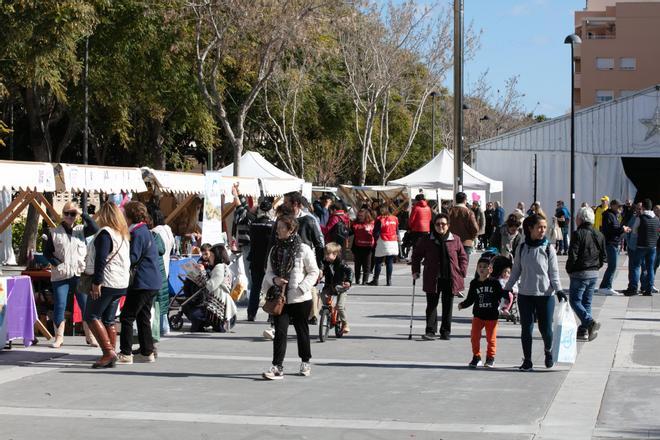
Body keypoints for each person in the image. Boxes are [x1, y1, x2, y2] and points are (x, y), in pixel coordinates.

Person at [504, 214, 566, 371]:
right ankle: (528, 360)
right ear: (530, 228)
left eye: (544, 227)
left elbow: (554, 273)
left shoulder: (548, 248)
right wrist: (507, 288)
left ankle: (548, 351)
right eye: (539, 227)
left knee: (546, 329)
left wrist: (559, 290)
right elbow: (516, 270)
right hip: (525, 295)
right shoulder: (522, 248)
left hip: (545, 295)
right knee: (526, 329)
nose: (543, 230)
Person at [261, 215, 320, 380]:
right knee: (280, 332)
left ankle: (305, 361)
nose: (278, 230)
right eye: (277, 227)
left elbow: (314, 272)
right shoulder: (275, 249)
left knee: (302, 331)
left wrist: (301, 288)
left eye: (281, 227)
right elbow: (268, 272)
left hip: (300, 298)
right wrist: (275, 280)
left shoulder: (303, 249)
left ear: (291, 229)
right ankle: (277, 366)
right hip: (281, 298)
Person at [44, 201, 99, 348]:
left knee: (85, 305)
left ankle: (90, 336)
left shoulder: (81, 230)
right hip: (61, 275)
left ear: (76, 215)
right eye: (67, 213)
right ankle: (59, 337)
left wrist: (83, 213)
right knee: (60, 305)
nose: (69, 216)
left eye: (72, 214)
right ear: (63, 215)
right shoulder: (54, 232)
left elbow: (95, 228)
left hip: (79, 274)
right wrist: (56, 263)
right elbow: (46, 252)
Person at [83, 202, 130, 368]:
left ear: (104, 215)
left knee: (91, 315)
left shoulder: (105, 233)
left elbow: (100, 260)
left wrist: (97, 282)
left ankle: (108, 352)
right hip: (120, 282)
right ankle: (112, 352)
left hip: (107, 282)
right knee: (109, 319)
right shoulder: (122, 234)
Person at [411, 213, 468, 341]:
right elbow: (416, 255)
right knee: (431, 305)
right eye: (438, 224)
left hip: (450, 277)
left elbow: (463, 257)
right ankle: (430, 331)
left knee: (448, 306)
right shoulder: (426, 239)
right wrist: (415, 270)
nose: (440, 226)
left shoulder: (456, 239)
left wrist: (462, 271)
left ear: (448, 225)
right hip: (432, 277)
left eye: (443, 224)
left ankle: (445, 331)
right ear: (434, 225)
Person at [118, 201, 162, 364]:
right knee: (143, 316)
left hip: (142, 281)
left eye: (124, 214)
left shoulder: (137, 233)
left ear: (130, 216)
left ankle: (126, 353)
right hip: (152, 281)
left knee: (127, 316)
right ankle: (147, 351)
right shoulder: (145, 230)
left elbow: (133, 257)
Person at [458, 256, 508, 368]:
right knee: (474, 337)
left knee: (491, 339)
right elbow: (470, 299)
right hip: (478, 315)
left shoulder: (495, 283)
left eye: (485, 267)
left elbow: (501, 295)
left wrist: (507, 297)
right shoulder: (474, 283)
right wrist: (463, 304)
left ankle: (490, 358)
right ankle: (476, 357)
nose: (482, 269)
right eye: (480, 266)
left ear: (490, 269)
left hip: (492, 316)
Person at [566, 207, 606, 341]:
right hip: (593, 272)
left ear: (581, 219)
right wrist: (596, 267)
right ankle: (584, 331)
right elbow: (603, 256)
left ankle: (589, 322)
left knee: (575, 301)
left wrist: (569, 269)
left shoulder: (578, 234)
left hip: (580, 272)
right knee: (586, 302)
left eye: (577, 217)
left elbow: (573, 255)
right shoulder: (599, 234)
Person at [148, 204, 175, 337]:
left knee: (158, 300)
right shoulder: (168, 229)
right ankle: (165, 326)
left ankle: (161, 327)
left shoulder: (155, 233)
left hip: (158, 267)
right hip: (166, 266)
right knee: (163, 299)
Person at [247, 200, 274, 321]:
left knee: (255, 287)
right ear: (270, 211)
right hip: (269, 261)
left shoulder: (253, 224)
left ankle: (251, 313)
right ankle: (271, 314)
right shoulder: (273, 225)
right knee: (270, 288)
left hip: (255, 260)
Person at [627, 199, 659, 296]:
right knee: (650, 268)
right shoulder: (656, 218)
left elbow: (634, 231)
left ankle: (633, 288)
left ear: (643, 207)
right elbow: (658, 232)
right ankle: (648, 289)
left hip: (641, 246)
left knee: (636, 267)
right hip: (653, 247)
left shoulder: (640, 218)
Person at [598, 200, 630, 295]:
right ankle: (605, 286)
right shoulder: (608, 215)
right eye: (618, 206)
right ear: (612, 206)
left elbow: (614, 229)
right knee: (612, 266)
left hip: (614, 243)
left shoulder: (614, 215)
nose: (620, 208)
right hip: (610, 243)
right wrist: (622, 229)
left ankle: (606, 286)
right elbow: (609, 230)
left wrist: (623, 229)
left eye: (620, 206)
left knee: (613, 266)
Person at [320, 242, 353, 333]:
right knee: (322, 294)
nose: (325, 256)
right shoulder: (325, 263)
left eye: (327, 254)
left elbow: (350, 271)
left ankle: (345, 324)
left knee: (340, 306)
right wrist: (319, 276)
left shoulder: (341, 263)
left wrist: (348, 281)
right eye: (325, 254)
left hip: (341, 287)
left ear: (335, 254)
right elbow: (323, 271)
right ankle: (327, 310)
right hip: (330, 286)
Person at [368, 206, 399, 286]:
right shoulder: (394, 218)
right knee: (389, 262)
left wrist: (375, 239)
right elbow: (397, 230)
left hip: (383, 240)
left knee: (378, 261)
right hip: (393, 241)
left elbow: (376, 232)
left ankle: (376, 280)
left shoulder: (380, 219)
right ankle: (389, 281)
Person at [448, 192, 479, 257]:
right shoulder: (469, 212)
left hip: (452, 241)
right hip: (466, 242)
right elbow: (475, 229)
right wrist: (472, 238)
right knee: (464, 264)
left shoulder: (449, 211)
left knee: (453, 264)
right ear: (465, 200)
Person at [350, 208, 375, 285]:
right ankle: (357, 279)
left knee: (367, 264)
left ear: (366, 216)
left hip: (368, 247)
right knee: (357, 264)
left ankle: (365, 280)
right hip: (357, 246)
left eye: (361, 216)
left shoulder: (372, 223)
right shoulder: (355, 223)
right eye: (359, 216)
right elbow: (350, 232)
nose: (360, 217)